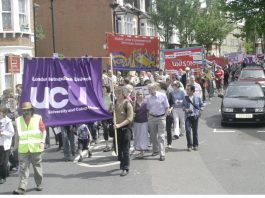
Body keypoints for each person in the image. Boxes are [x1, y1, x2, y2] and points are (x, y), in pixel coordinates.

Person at [13, 102, 46, 195]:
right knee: (23, 168)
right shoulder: (18, 120)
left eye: (28, 110)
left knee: (37, 168)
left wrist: (43, 142)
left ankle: (39, 184)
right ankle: (22, 188)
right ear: (22, 111)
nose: (26, 111)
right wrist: (15, 147)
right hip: (23, 149)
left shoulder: (38, 118)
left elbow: (44, 131)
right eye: (24, 110)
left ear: (31, 110)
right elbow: (17, 135)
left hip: (35, 148)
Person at [146, 83, 170, 161]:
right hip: (152, 118)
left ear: (155, 88)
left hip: (161, 117)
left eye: (150, 89)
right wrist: (148, 117)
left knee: (161, 136)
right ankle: (155, 150)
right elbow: (148, 109)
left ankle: (162, 153)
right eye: (148, 89)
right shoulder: (148, 98)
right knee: (153, 136)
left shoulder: (162, 95)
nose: (149, 90)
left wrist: (164, 116)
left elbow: (167, 107)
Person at [113, 86, 134, 176]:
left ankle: (125, 167)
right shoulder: (115, 103)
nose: (117, 94)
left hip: (125, 129)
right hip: (116, 130)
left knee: (125, 149)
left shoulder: (128, 104)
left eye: (119, 93)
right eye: (116, 93)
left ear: (123, 94)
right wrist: (111, 109)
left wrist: (119, 125)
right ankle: (122, 162)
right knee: (118, 148)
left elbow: (130, 118)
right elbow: (110, 112)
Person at [183, 85, 203, 152]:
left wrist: (200, 111)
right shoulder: (185, 98)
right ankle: (189, 145)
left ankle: (195, 145)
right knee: (188, 131)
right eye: (186, 89)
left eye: (188, 90)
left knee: (195, 131)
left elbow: (201, 105)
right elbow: (183, 106)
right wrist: (186, 109)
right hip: (187, 117)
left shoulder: (197, 97)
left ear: (192, 91)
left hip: (195, 116)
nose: (187, 91)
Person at [0, 107, 14, 184]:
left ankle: (3, 177)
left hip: (5, 145)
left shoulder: (7, 121)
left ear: (3, 113)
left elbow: (12, 133)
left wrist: (3, 133)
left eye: (0, 113)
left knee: (3, 163)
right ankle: (5, 171)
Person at [133, 90, 149, 158]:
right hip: (136, 122)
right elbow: (133, 112)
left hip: (144, 122)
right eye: (138, 94)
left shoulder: (146, 103)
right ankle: (139, 150)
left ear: (143, 95)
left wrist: (148, 120)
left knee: (143, 136)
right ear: (136, 96)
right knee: (137, 136)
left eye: (141, 94)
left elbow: (148, 112)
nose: (140, 96)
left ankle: (142, 151)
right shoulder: (134, 103)